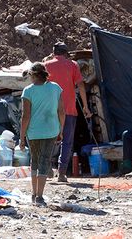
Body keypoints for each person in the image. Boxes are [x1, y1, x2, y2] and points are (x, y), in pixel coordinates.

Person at [43, 42, 91, 182]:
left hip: (50, 109)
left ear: (54, 52)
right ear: (65, 53)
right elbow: (80, 85)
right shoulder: (73, 65)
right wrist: (85, 106)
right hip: (69, 109)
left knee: (49, 139)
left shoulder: (46, 65)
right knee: (67, 141)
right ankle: (62, 173)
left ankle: (47, 168)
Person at [18, 63, 64, 206]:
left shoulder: (28, 91)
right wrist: (60, 130)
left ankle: (34, 194)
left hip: (33, 132)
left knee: (35, 162)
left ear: (33, 75)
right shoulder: (56, 88)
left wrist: (21, 137)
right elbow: (61, 112)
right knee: (45, 161)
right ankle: (40, 197)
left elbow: (25, 116)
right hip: (51, 130)